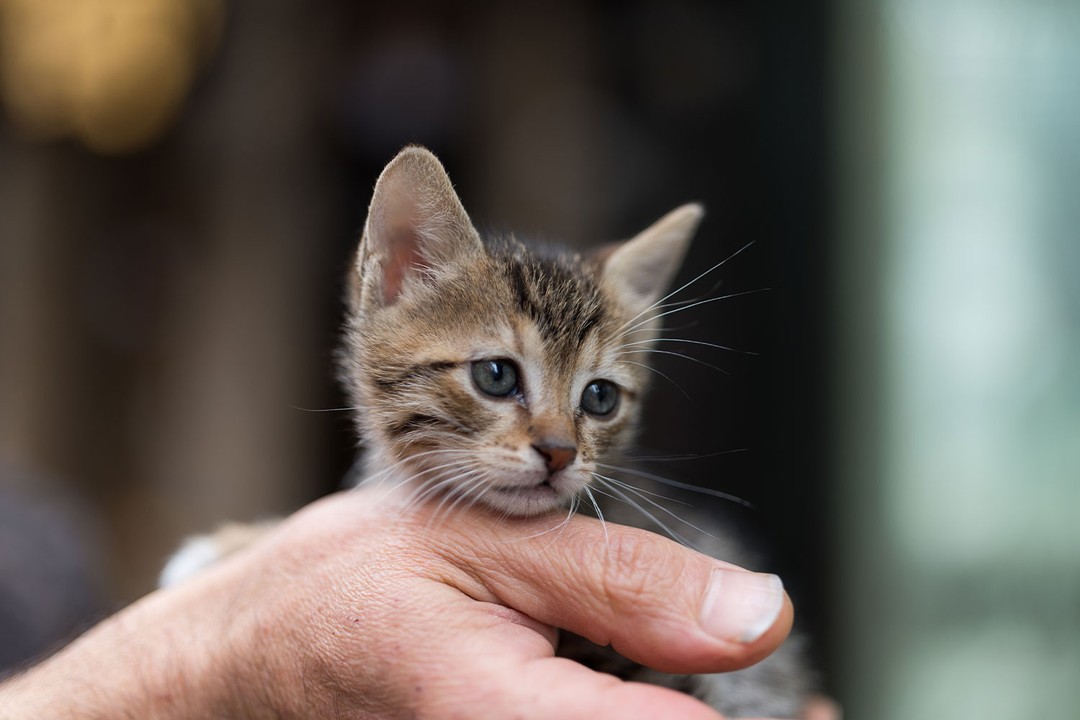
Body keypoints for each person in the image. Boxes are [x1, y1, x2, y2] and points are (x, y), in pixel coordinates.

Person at [0, 487, 838, 719]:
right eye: (499, 376)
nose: (554, 442)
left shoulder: (39, 553)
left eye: (596, 401)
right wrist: (215, 653)